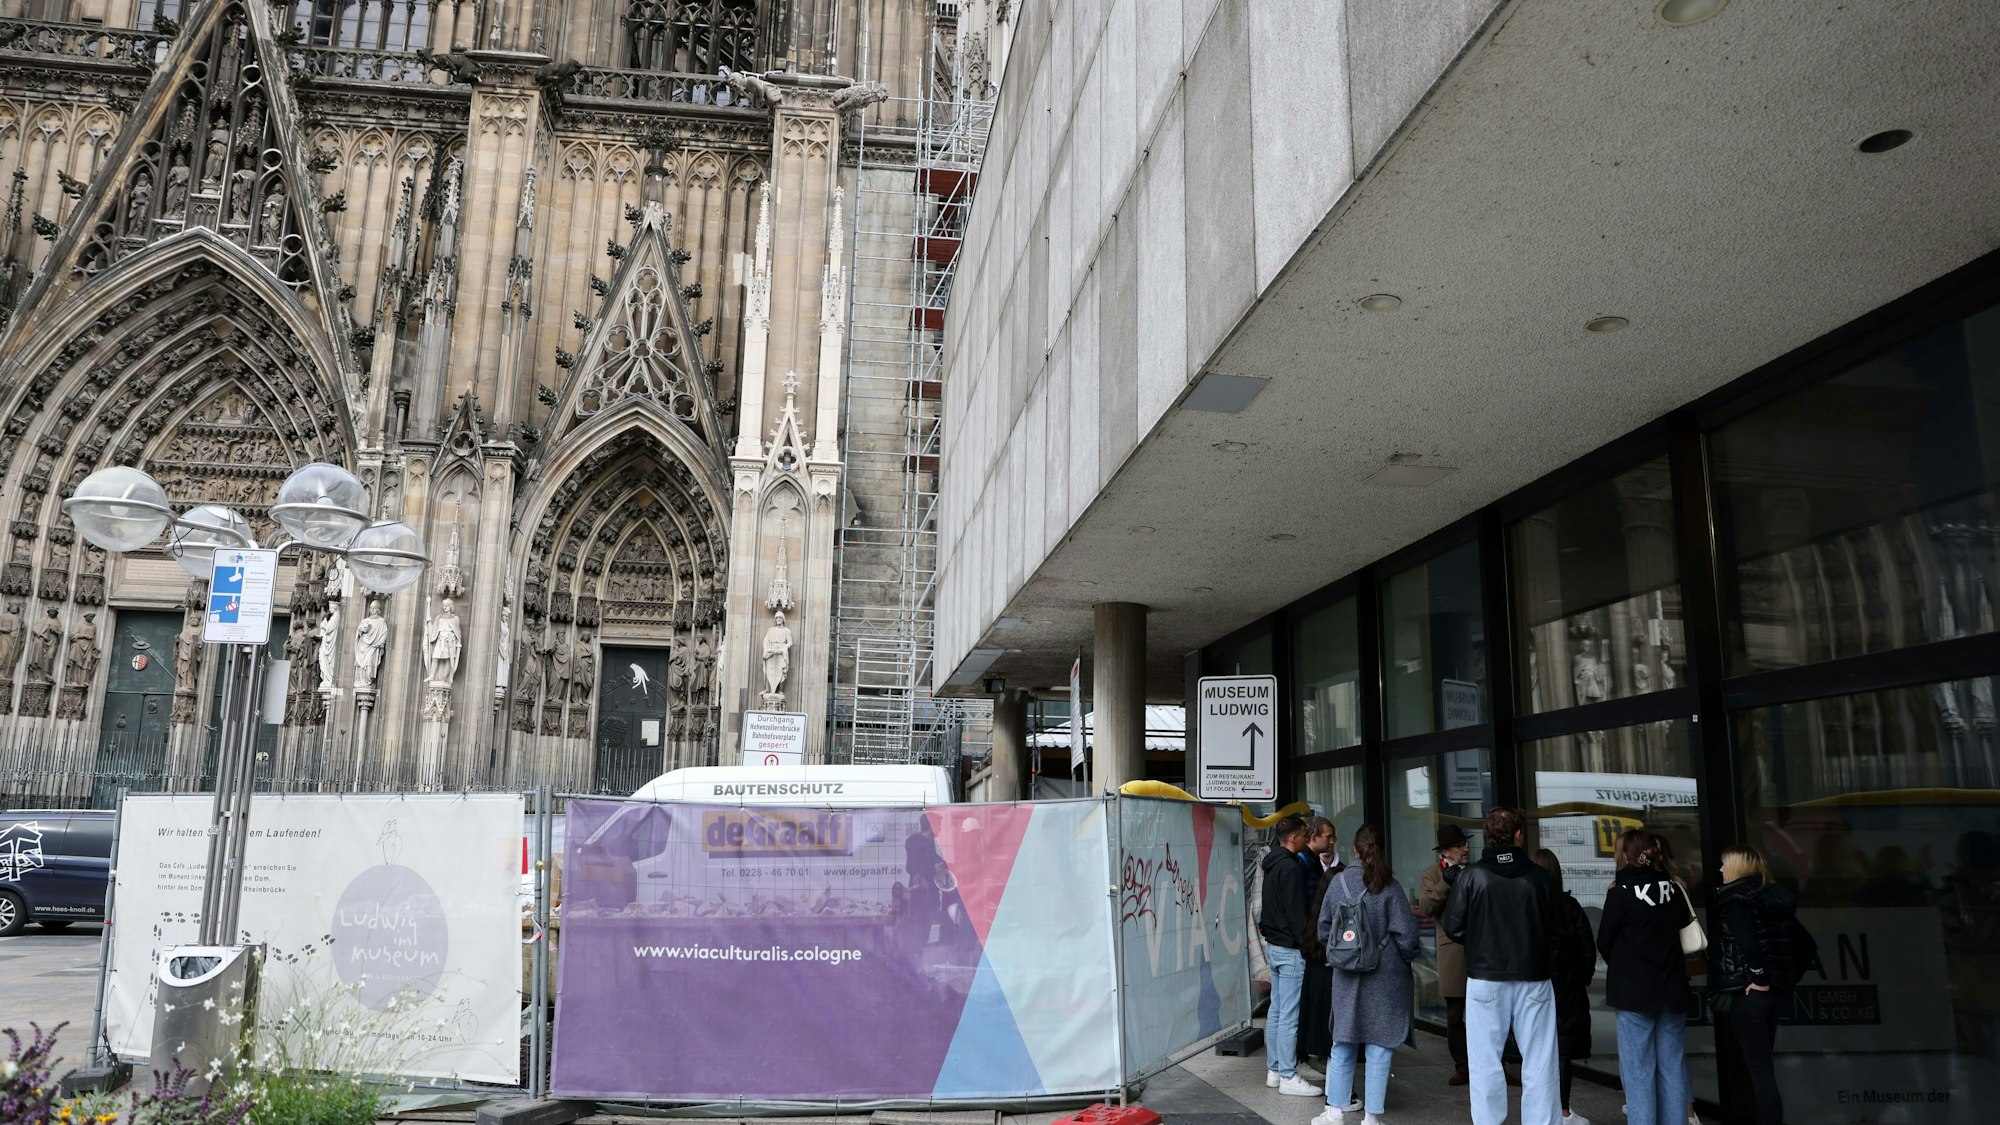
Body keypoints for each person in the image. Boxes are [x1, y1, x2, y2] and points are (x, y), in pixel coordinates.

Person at [1439, 807, 1561, 1125]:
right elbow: (1559, 929)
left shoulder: (1472, 877)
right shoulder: (1540, 878)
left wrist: (1480, 939)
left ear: (1487, 836)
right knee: (1540, 1059)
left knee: (1484, 1060)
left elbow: (1453, 926)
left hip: (1485, 976)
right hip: (1533, 975)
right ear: (1519, 835)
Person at [1311, 824, 1419, 1125]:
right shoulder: (1391, 887)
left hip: (1347, 976)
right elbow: (1408, 937)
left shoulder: (1339, 884)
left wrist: (1347, 952)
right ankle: (1371, 1117)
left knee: (1343, 1041)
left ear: (1355, 850)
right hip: (1386, 977)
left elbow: (1323, 929)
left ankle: (1334, 1111)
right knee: (1380, 1046)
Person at [1599, 828, 1696, 1125]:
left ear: (1626, 855)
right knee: (1672, 1066)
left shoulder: (1620, 893)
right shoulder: (1674, 888)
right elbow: (1682, 927)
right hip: (1672, 988)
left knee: (1638, 1070)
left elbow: (1604, 941)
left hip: (1634, 992)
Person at [1712, 845, 1799, 1125]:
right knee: (1760, 1064)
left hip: (1749, 993)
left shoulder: (1736, 900)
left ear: (1738, 867)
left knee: (1758, 1069)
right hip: (1774, 994)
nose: (1721, 870)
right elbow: (1806, 945)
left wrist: (1760, 979)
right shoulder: (1775, 898)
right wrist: (1783, 979)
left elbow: (1749, 943)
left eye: (1725, 864)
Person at [1260, 814, 1324, 1096]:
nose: (1305, 838)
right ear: (1295, 837)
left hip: (1274, 946)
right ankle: (1288, 1075)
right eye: (1303, 834)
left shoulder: (1272, 864)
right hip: (1290, 949)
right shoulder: (1292, 868)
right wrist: (1308, 944)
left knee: (1276, 1010)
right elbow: (1297, 912)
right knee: (1288, 1014)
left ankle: (1275, 1070)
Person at [1533, 849, 1596, 1125]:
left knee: (1537, 1053)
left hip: (1535, 990)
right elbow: (1587, 951)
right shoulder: (1569, 907)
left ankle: (1542, 1111)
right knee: (1562, 1054)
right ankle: (1563, 1111)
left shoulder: (1530, 907)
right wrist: (1579, 978)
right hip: (1567, 990)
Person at [1652, 831, 1702, 1125]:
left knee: (1664, 1051)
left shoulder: (1666, 886)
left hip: (1661, 974)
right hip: (1675, 974)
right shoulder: (1678, 884)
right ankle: (1687, 1111)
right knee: (1673, 1050)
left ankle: (1684, 1111)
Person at [1417, 823, 1472, 1085]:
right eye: (1460, 845)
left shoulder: (1475, 870)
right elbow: (1427, 906)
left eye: (1465, 844)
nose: (1465, 848)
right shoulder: (1431, 874)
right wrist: (1446, 882)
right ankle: (1462, 1065)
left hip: (1480, 948)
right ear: (1445, 851)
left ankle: (1494, 1063)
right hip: (1452, 950)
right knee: (1455, 1014)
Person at [1299, 817, 1345, 1071]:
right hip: (1312, 945)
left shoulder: (1343, 871)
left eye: (1333, 836)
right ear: (1313, 837)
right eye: (1327, 836)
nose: (1331, 841)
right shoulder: (1304, 865)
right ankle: (1309, 1049)